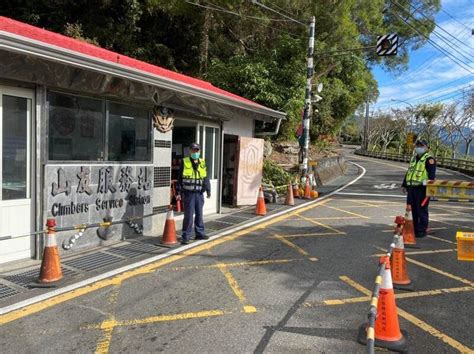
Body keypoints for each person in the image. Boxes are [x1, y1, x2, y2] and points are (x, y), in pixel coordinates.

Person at [176, 143, 211, 244]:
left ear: (199, 151)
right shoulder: (185, 161)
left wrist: (208, 190)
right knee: (188, 215)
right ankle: (186, 236)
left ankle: (199, 233)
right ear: (190, 151)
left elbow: (205, 177)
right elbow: (179, 178)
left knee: (199, 214)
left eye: (197, 150)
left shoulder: (202, 162)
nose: (195, 152)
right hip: (189, 193)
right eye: (193, 150)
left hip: (199, 193)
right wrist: (178, 191)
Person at [401, 139, 436, 238]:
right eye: (417, 146)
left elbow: (431, 176)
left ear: (426, 148)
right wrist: (404, 184)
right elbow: (409, 172)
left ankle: (421, 230)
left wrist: (429, 189)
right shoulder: (414, 158)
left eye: (421, 146)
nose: (418, 148)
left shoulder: (429, 159)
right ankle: (414, 228)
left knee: (421, 210)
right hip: (412, 188)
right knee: (412, 210)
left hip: (422, 189)